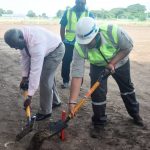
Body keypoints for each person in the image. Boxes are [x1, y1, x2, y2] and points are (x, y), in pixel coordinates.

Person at [68, 17, 144, 138]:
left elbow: (127, 47)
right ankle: (99, 123)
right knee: (97, 94)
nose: (86, 45)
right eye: (84, 42)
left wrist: (112, 63)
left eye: (89, 41)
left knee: (127, 89)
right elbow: (77, 74)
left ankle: (135, 114)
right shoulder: (79, 46)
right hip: (97, 66)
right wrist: (72, 101)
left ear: (97, 33)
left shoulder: (112, 31)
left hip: (120, 62)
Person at [4, 26, 65, 121]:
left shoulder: (36, 44)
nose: (16, 48)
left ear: (21, 38)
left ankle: (45, 111)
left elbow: (35, 71)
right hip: (47, 48)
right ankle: (55, 101)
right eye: (14, 47)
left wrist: (29, 96)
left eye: (16, 46)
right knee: (48, 77)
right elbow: (25, 58)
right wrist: (24, 77)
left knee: (44, 79)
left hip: (56, 50)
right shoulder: (21, 37)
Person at [60, 0, 94, 88]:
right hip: (68, 42)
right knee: (66, 62)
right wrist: (63, 40)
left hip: (82, 43)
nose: (81, 5)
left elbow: (93, 28)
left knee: (79, 63)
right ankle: (65, 81)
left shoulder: (89, 13)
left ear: (85, 3)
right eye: (79, 2)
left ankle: (79, 83)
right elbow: (62, 26)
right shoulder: (68, 12)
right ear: (75, 2)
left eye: (83, 3)